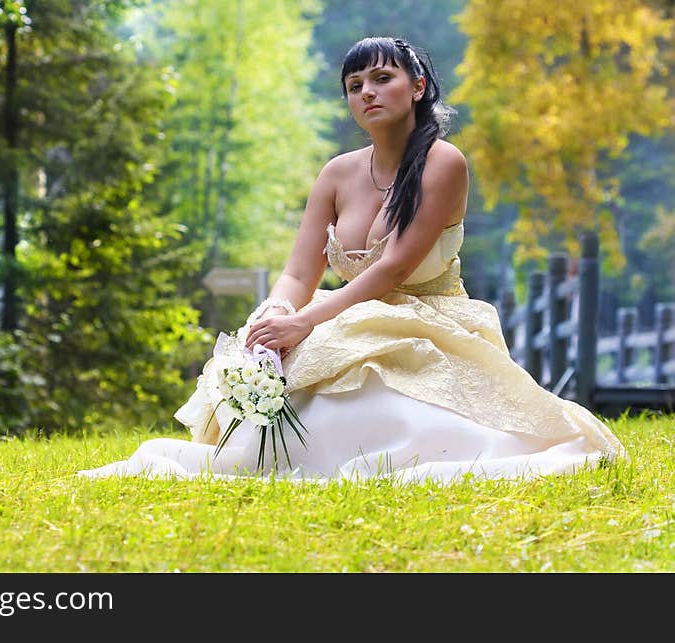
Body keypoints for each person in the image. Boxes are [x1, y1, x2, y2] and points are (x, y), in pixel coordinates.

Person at [79, 36, 626, 483]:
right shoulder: (337, 173)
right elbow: (299, 272)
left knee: (377, 397)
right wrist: (272, 318)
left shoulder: (444, 163)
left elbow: (393, 269)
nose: (367, 92)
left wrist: (304, 322)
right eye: (354, 86)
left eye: (382, 79)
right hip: (338, 311)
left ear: (418, 87)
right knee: (269, 365)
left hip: (423, 315)